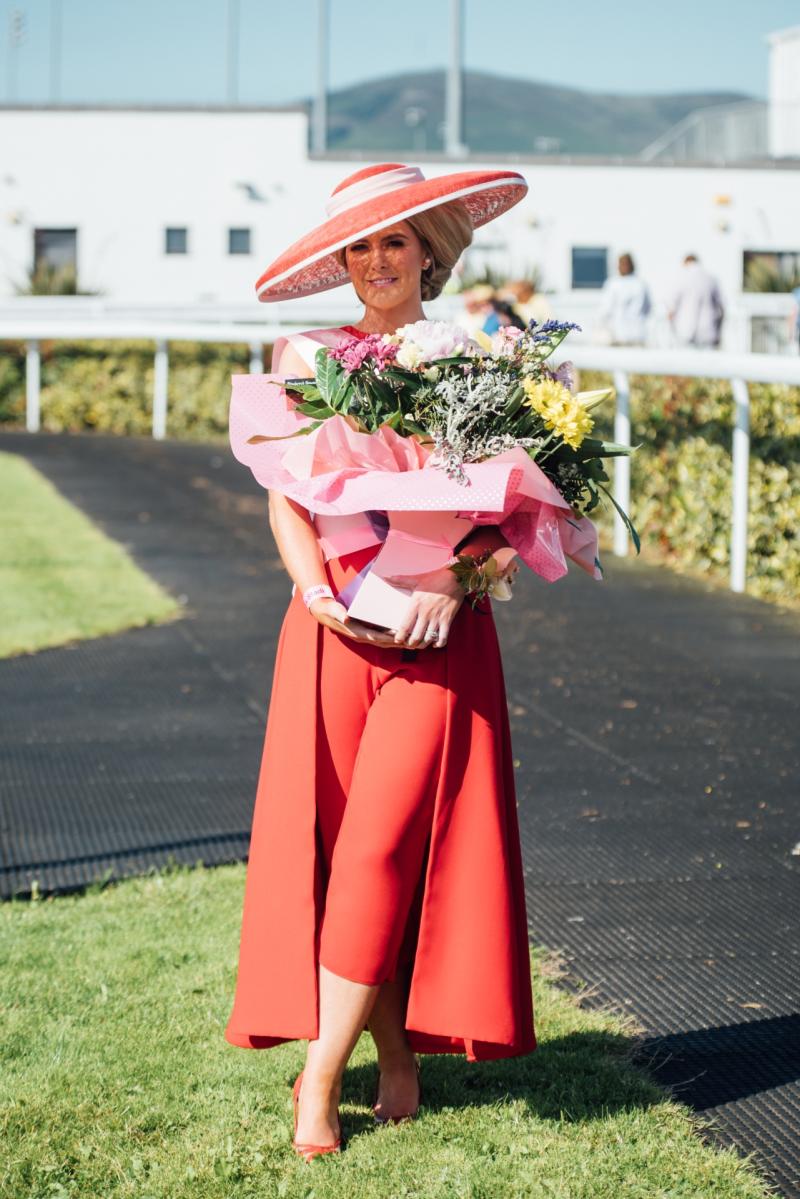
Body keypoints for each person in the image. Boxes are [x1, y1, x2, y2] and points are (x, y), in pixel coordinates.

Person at [224, 163, 537, 1162]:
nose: (375, 261)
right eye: (357, 245)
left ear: (428, 250)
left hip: (441, 636)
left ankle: (318, 1077)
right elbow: (285, 495)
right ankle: (395, 1048)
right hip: (329, 632)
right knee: (346, 851)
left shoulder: (486, 357)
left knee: (378, 846)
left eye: (393, 240)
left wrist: (454, 580)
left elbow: (524, 509)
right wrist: (314, 591)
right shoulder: (304, 355)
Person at [668, 253, 725, 349]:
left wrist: (672, 325)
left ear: (686, 263)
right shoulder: (711, 279)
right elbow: (721, 306)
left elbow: (672, 304)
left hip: (686, 330)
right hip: (708, 331)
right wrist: (719, 329)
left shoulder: (682, 278)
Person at [597, 253, 651, 346]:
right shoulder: (639, 283)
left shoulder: (616, 284)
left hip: (631, 336)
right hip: (622, 335)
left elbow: (605, 310)